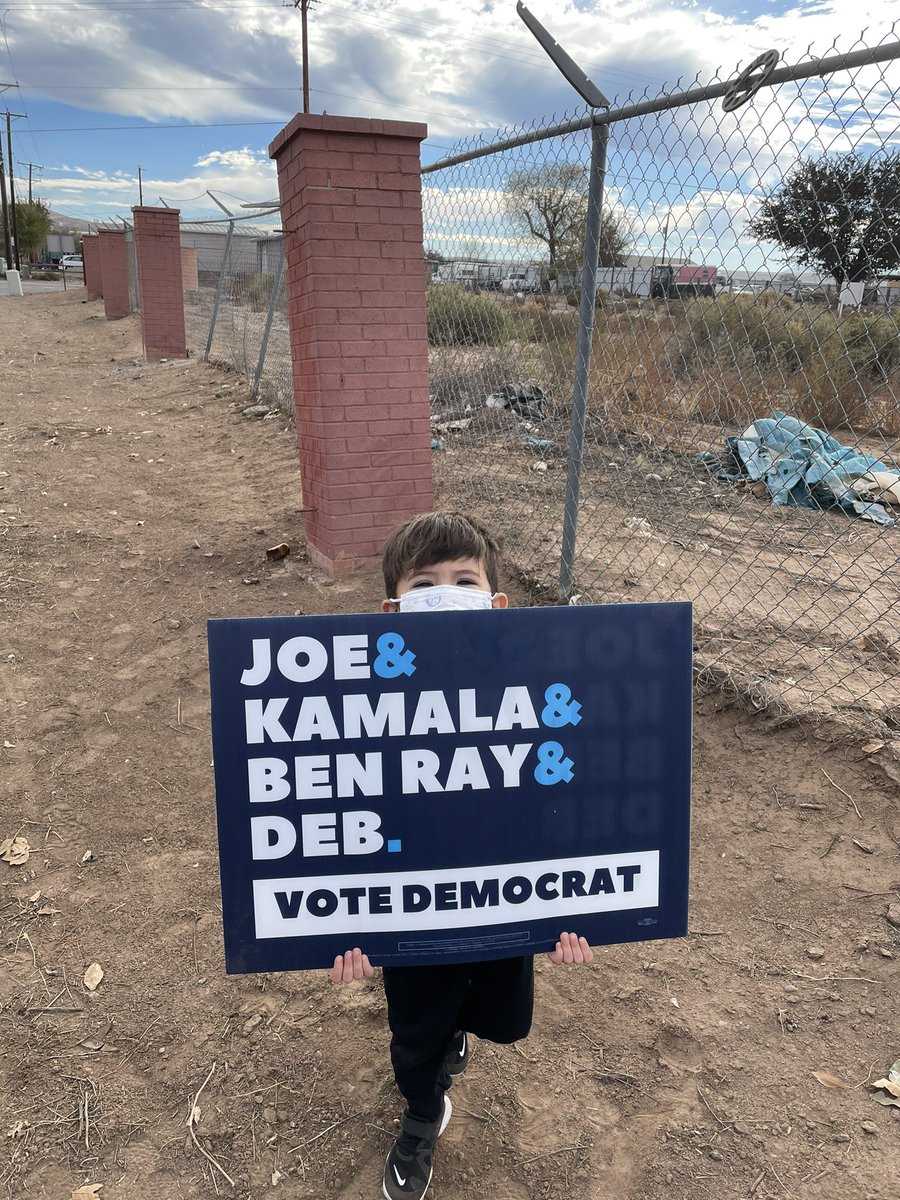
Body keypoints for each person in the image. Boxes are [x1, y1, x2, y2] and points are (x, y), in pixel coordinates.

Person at [328, 511, 594, 1200]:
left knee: (503, 1015)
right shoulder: (357, 701)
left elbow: (566, 807)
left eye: (464, 580)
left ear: (496, 603)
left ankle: (458, 1039)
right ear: (392, 610)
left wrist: (579, 907)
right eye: (425, 583)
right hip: (410, 907)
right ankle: (422, 1112)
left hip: (502, 901)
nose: (445, 592)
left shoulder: (537, 688)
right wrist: (341, 926)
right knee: (416, 1033)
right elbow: (333, 813)